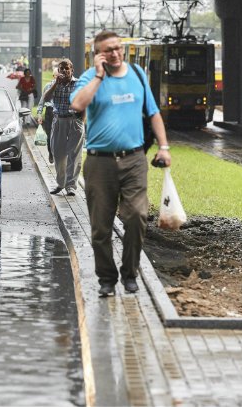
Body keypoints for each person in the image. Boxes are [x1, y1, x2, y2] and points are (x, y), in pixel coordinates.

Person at [70, 30, 172, 297]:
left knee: (137, 216)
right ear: (98, 55)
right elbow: (77, 104)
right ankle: (106, 278)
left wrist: (164, 147)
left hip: (134, 160)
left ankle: (130, 273)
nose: (114, 53)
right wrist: (99, 76)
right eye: (108, 50)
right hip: (99, 163)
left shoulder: (137, 75)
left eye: (117, 48)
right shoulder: (88, 78)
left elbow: (153, 113)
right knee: (101, 227)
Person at [38, 60, 84, 194]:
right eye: (61, 68)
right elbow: (46, 99)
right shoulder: (53, 84)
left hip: (75, 121)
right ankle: (60, 183)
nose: (64, 71)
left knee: (74, 155)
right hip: (58, 121)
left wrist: (82, 120)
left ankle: (71, 186)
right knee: (58, 153)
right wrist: (56, 84)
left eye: (66, 69)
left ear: (72, 70)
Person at [36, 66, 58, 163]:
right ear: (53, 76)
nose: (58, 78)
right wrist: (40, 114)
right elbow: (41, 101)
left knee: (59, 135)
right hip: (49, 112)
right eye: (56, 76)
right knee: (50, 135)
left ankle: (58, 154)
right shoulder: (48, 86)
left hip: (59, 113)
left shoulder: (64, 87)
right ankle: (51, 153)